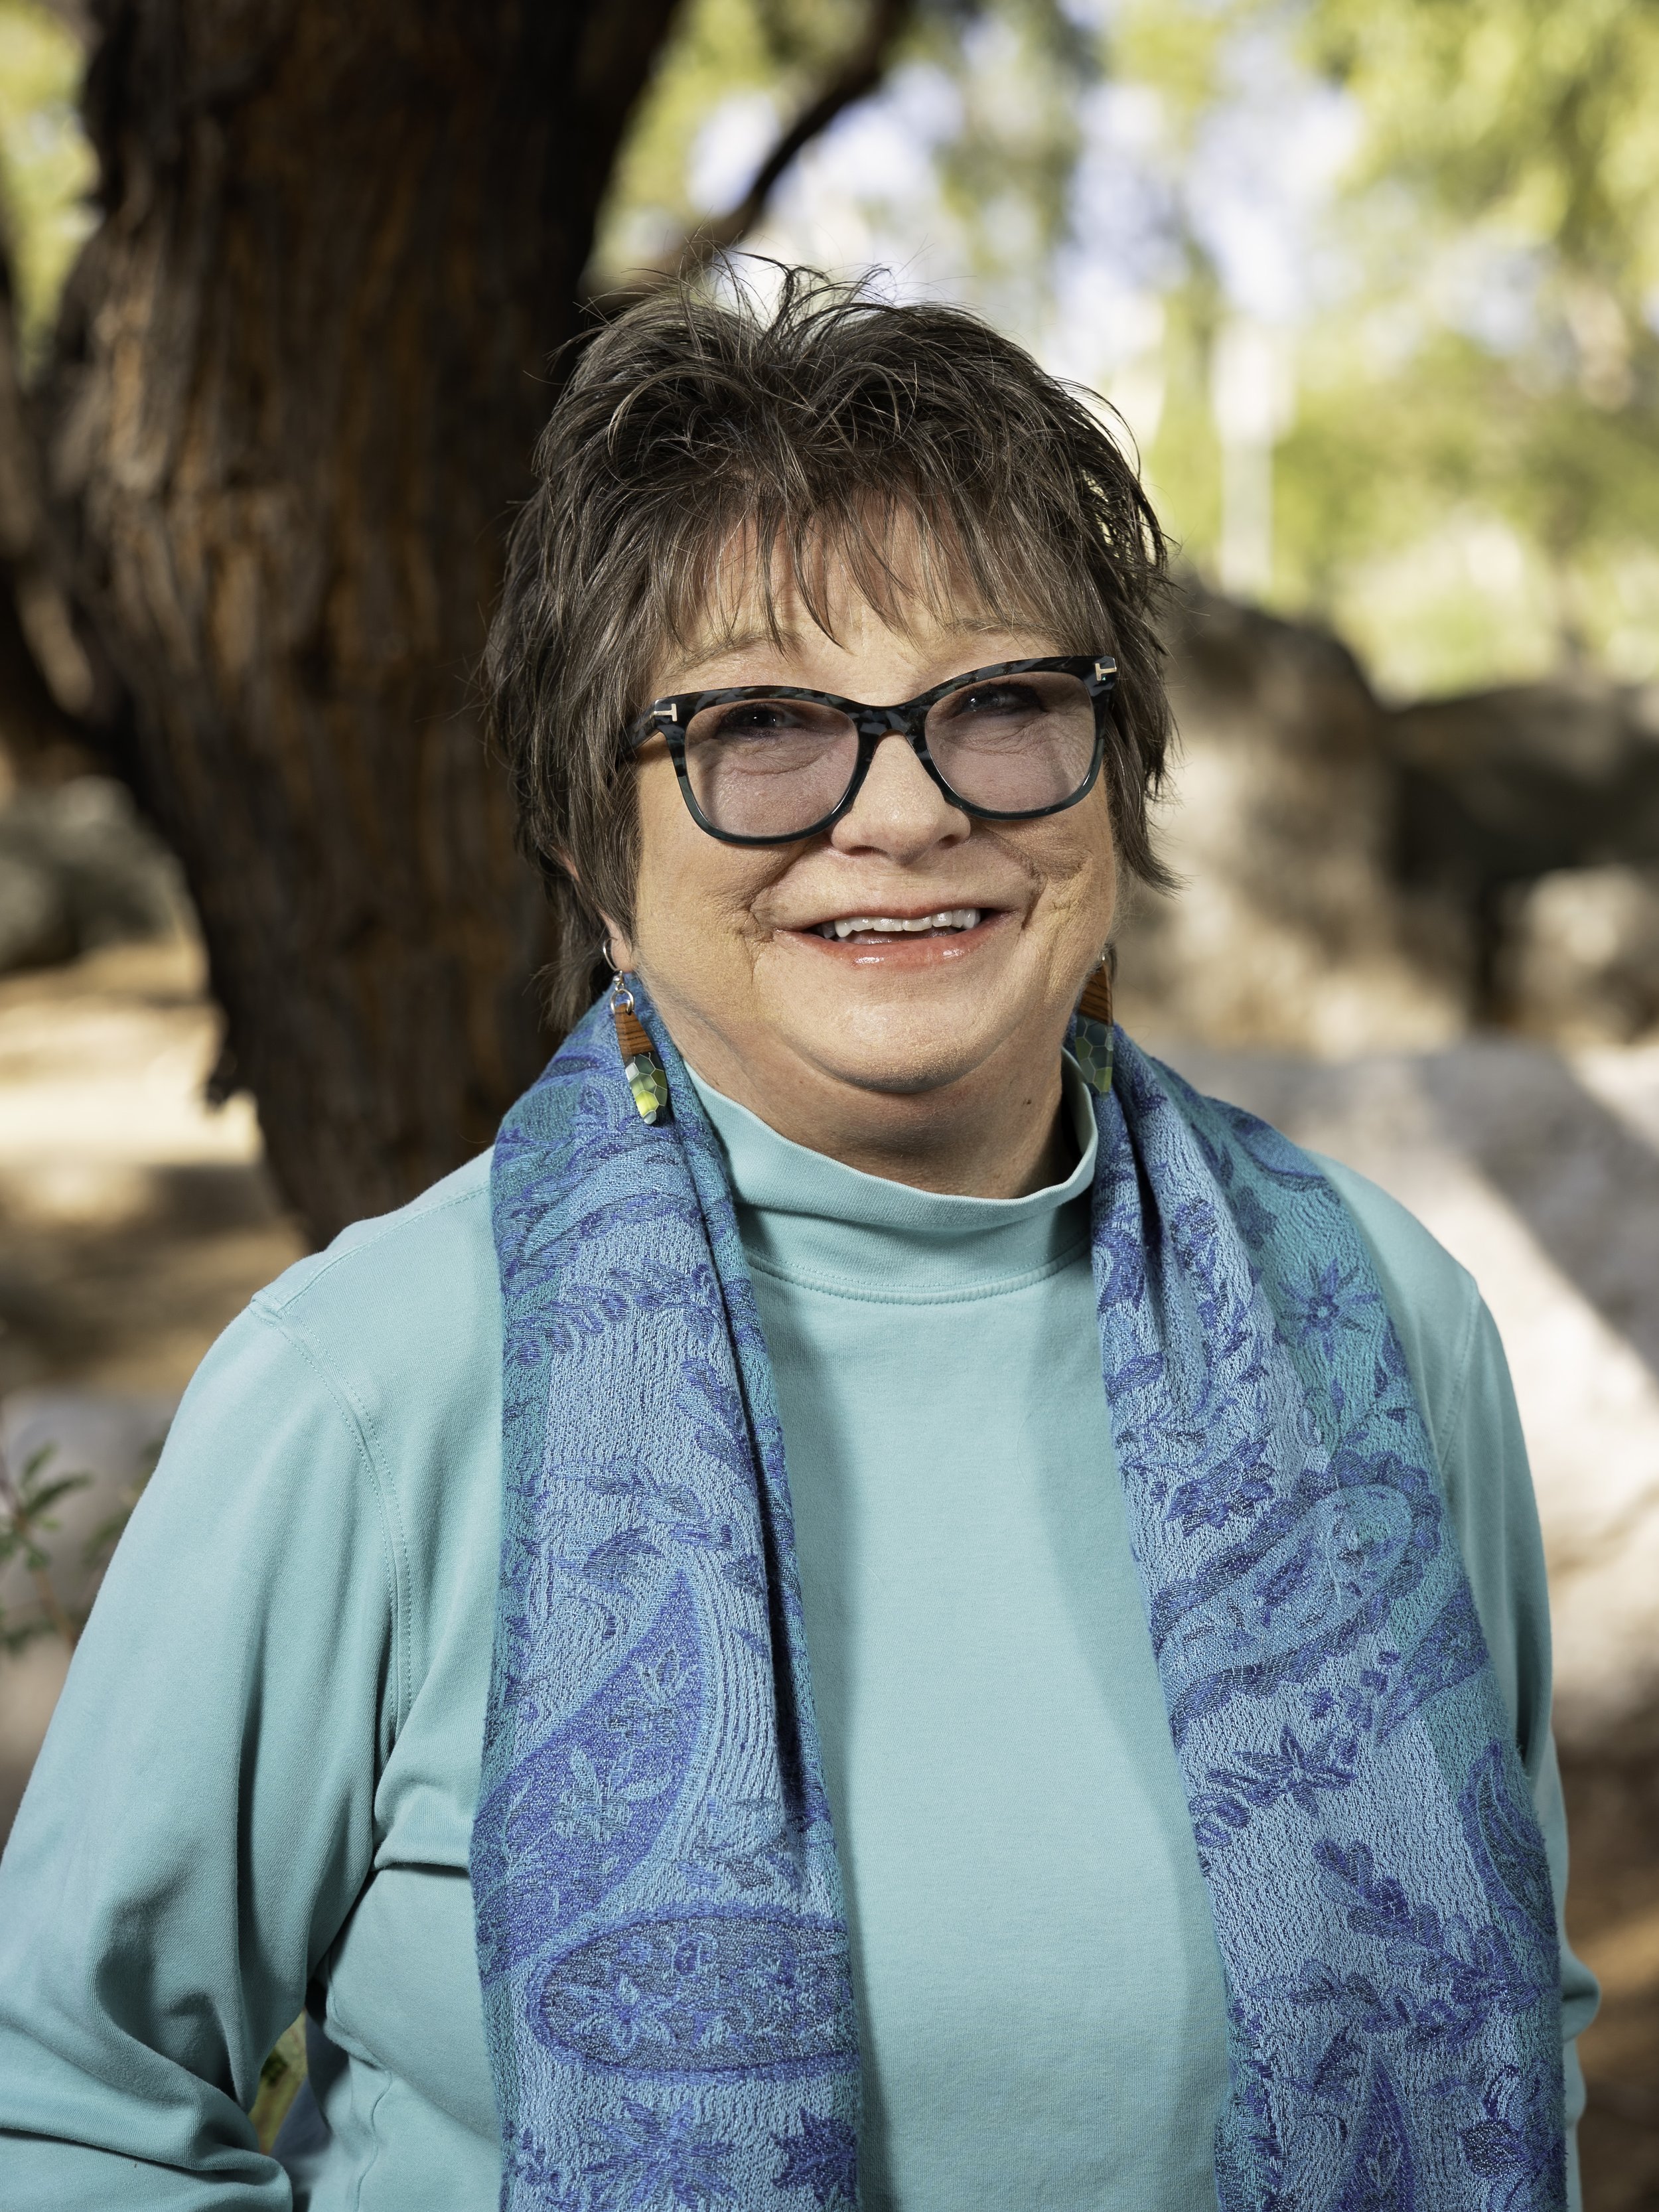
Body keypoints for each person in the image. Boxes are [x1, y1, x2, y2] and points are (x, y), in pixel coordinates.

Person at [0, 269, 1596, 2211]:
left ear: (1120, 774)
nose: (905, 811)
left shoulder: (1379, 1326)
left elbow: (1519, 2024)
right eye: (762, 728)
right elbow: (60, 2107)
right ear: (593, 843)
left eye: (1002, 706)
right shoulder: (369, 1390)